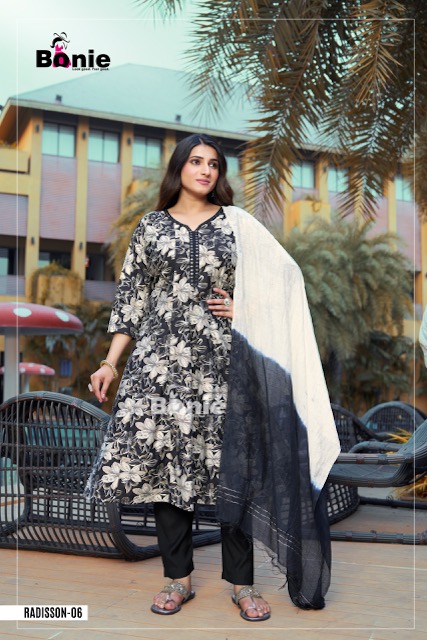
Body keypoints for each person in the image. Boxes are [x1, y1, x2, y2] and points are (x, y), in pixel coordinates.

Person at [85, 133, 340, 620]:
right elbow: (132, 299)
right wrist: (110, 363)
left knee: (233, 467)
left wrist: (246, 308)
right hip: (159, 368)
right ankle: (177, 579)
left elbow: (286, 280)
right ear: (179, 167)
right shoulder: (151, 226)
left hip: (225, 365)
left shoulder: (236, 225)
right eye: (196, 161)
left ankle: (242, 585)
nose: (206, 170)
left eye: (214, 164)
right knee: (169, 469)